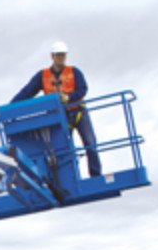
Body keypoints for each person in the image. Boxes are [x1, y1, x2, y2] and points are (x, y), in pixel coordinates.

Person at [11, 41, 102, 177]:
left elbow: (83, 89)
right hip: (59, 116)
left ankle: (95, 174)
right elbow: (27, 91)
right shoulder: (43, 75)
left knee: (90, 144)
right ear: (52, 56)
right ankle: (68, 178)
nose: (60, 58)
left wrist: (69, 97)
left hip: (78, 112)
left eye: (62, 55)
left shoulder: (74, 72)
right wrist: (11, 106)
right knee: (62, 150)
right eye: (58, 55)